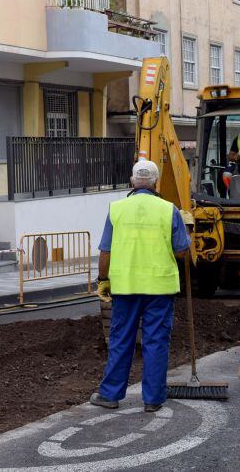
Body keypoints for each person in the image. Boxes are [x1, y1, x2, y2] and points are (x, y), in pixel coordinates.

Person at [91, 160, 190, 413]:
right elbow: (182, 252)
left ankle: (110, 395)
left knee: (121, 339)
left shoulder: (117, 209)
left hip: (125, 288)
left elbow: (105, 251)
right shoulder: (169, 210)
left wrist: (103, 280)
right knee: (156, 341)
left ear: (132, 181)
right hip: (160, 288)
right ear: (156, 182)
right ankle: (153, 399)